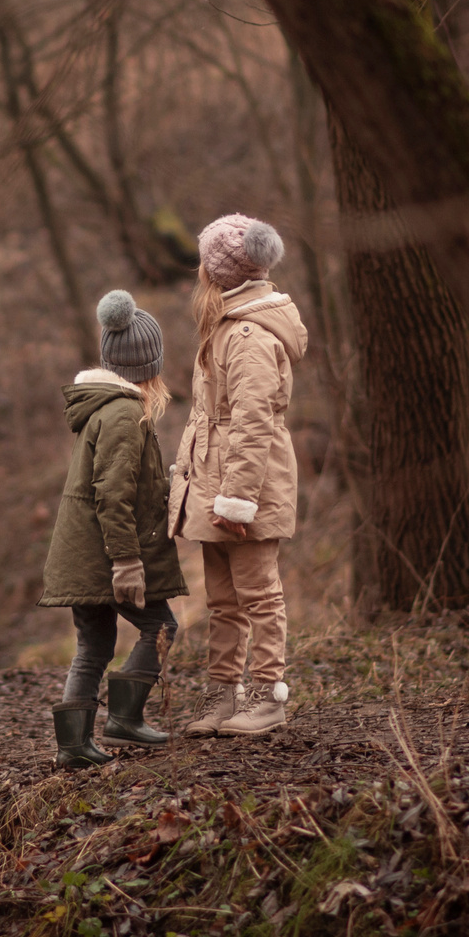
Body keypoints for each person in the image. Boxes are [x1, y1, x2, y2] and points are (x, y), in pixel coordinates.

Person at [170, 214, 310, 736]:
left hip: (244, 485)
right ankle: (223, 696)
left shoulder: (248, 334)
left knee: (258, 594)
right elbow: (210, 419)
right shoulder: (224, 325)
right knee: (223, 601)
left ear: (217, 271)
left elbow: (252, 423)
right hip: (215, 479)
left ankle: (266, 697)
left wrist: (236, 499)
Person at [39, 291, 186, 768]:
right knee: (160, 625)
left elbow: (122, 486)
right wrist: (126, 561)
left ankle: (73, 747)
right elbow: (112, 492)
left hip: (84, 553)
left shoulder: (101, 407)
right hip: (106, 556)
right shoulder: (124, 413)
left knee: (94, 647)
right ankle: (123, 720)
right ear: (148, 365)